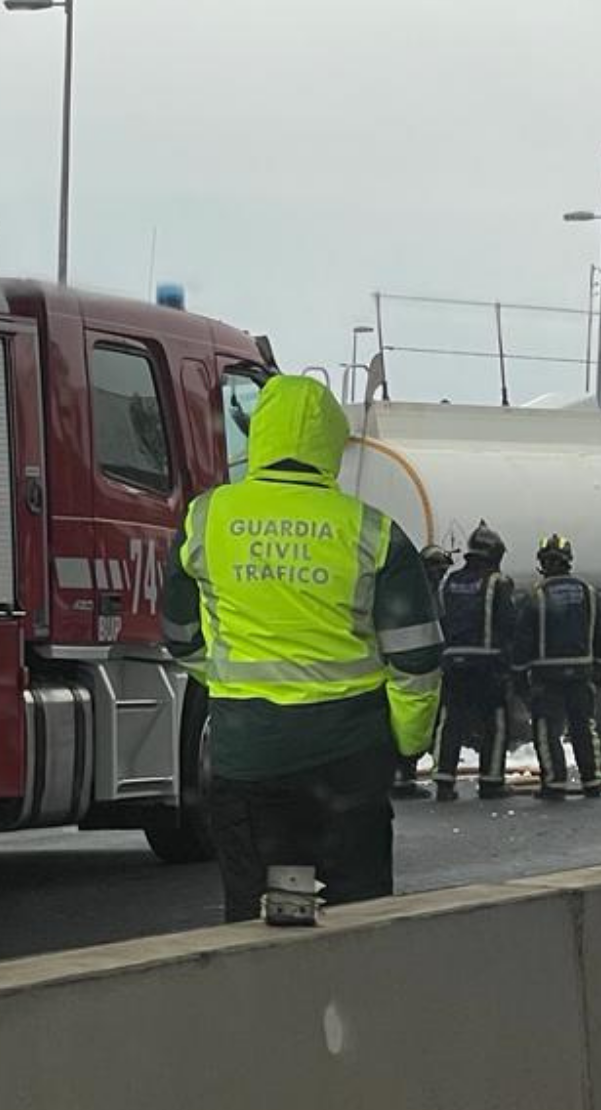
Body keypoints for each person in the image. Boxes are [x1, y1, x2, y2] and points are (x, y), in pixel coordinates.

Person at [162, 374, 443, 922]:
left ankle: (283, 962)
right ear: (330, 442)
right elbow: (415, 658)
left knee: (270, 916)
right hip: (348, 765)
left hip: (250, 760)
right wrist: (408, 742)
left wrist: (231, 682)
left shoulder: (205, 519)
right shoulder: (372, 532)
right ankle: (345, 975)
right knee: (356, 916)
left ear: (260, 434)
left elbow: (179, 634)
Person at [512, 534, 601, 799]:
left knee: (547, 731)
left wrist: (520, 679)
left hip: (547, 677)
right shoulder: (588, 593)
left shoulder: (535, 596)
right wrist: (598, 670)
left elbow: (522, 641)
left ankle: (554, 785)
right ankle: (593, 782)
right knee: (584, 728)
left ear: (542, 563)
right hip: (581, 674)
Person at [432, 524, 520, 802]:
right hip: (487, 664)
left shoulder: (450, 582)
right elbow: (509, 625)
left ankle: (444, 781)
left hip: (453, 662)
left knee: (451, 722)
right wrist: (510, 665)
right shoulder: (498, 583)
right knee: (495, 722)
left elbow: (442, 620)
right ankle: (491, 782)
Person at [394, 542, 456, 799]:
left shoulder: (423, 590)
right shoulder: (417, 593)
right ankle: (402, 776)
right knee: (410, 723)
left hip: (422, 665)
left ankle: (403, 775)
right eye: (436, 568)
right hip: (413, 667)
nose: (440, 574)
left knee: (416, 723)